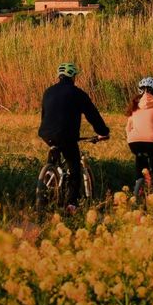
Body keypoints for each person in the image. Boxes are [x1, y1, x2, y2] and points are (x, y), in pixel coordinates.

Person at [38, 62, 110, 211]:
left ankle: (46, 187)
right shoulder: (77, 93)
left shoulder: (48, 91)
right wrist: (103, 132)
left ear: (59, 76)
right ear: (72, 77)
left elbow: (45, 114)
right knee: (74, 167)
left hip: (46, 133)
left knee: (54, 155)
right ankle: (71, 204)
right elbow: (92, 115)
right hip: (67, 135)